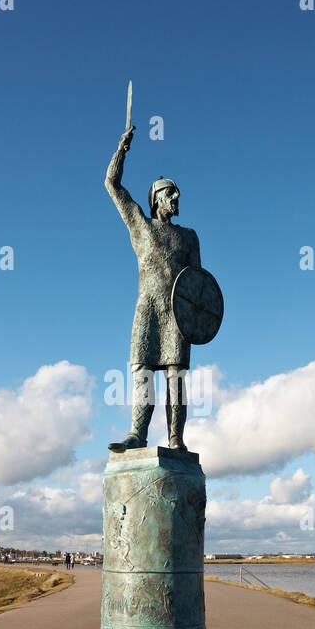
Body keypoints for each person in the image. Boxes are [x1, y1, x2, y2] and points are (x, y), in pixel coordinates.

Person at [105, 124, 201, 452]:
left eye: (177, 193)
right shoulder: (140, 225)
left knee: (175, 379)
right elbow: (112, 185)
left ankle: (176, 440)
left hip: (177, 312)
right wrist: (122, 151)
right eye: (170, 193)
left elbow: (199, 284)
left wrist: (196, 317)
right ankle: (138, 434)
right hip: (147, 308)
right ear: (156, 199)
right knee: (142, 372)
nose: (176, 198)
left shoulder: (188, 237)